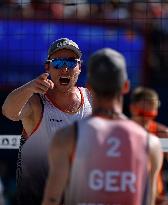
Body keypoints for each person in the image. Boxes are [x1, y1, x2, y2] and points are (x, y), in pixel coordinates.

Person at [42, 48, 163, 205]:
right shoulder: (150, 144)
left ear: (89, 87)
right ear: (126, 86)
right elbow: (148, 201)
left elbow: (52, 200)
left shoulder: (67, 138)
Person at [2, 37, 92, 205]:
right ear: (47, 67)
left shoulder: (91, 99)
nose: (65, 68)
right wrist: (30, 87)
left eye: (71, 62)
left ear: (80, 67)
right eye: (58, 63)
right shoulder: (37, 102)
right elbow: (9, 112)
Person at [129, 86, 168, 205]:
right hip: (128, 196)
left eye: (150, 114)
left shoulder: (161, 134)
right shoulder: (123, 132)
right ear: (132, 108)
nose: (146, 119)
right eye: (142, 113)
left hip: (155, 198)